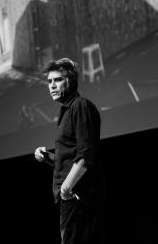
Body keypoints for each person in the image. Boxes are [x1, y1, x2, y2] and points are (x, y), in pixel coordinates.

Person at [34, 58, 106, 244]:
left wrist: (66, 189)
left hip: (78, 198)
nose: (52, 86)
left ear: (71, 81)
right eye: (49, 82)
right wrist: (48, 157)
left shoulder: (80, 106)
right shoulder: (66, 111)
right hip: (71, 199)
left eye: (57, 80)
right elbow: (70, 156)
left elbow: (85, 157)